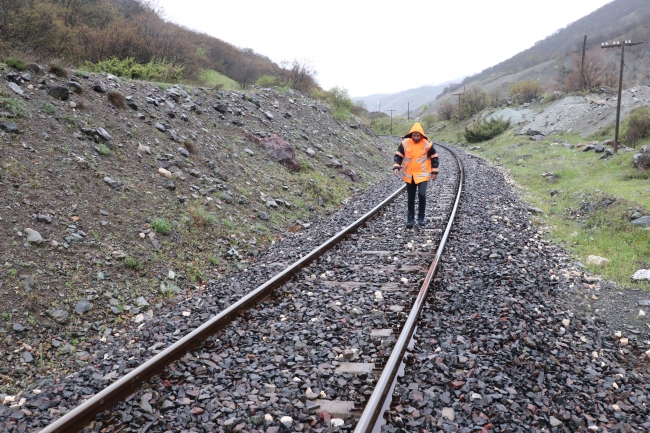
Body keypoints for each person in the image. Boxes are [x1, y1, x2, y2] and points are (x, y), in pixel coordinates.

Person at [392, 123, 439, 228]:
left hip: (422, 175)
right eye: (414, 135)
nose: (416, 138)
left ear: (421, 135)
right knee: (410, 198)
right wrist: (396, 166)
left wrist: (434, 172)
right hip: (410, 175)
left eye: (418, 136)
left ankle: (421, 217)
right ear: (411, 135)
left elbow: (434, 157)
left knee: (422, 195)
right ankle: (410, 219)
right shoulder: (405, 143)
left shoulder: (427, 144)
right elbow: (398, 155)